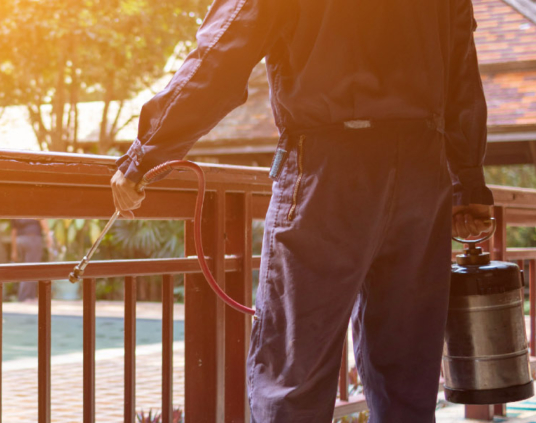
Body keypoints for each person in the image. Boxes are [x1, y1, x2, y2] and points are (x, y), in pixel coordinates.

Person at [109, 0, 494, 421]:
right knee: (407, 374)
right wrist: (468, 182)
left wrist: (145, 154)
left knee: (294, 370)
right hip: (423, 171)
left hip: (329, 169)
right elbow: (461, 67)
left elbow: (222, 53)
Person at [10, 219, 47, 302]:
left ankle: (28, 297)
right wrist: (48, 235)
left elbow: (13, 231)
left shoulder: (15, 209)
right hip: (33, 239)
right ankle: (26, 298)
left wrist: (14, 251)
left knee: (24, 270)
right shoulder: (34, 207)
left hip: (20, 240)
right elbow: (43, 220)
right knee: (32, 270)